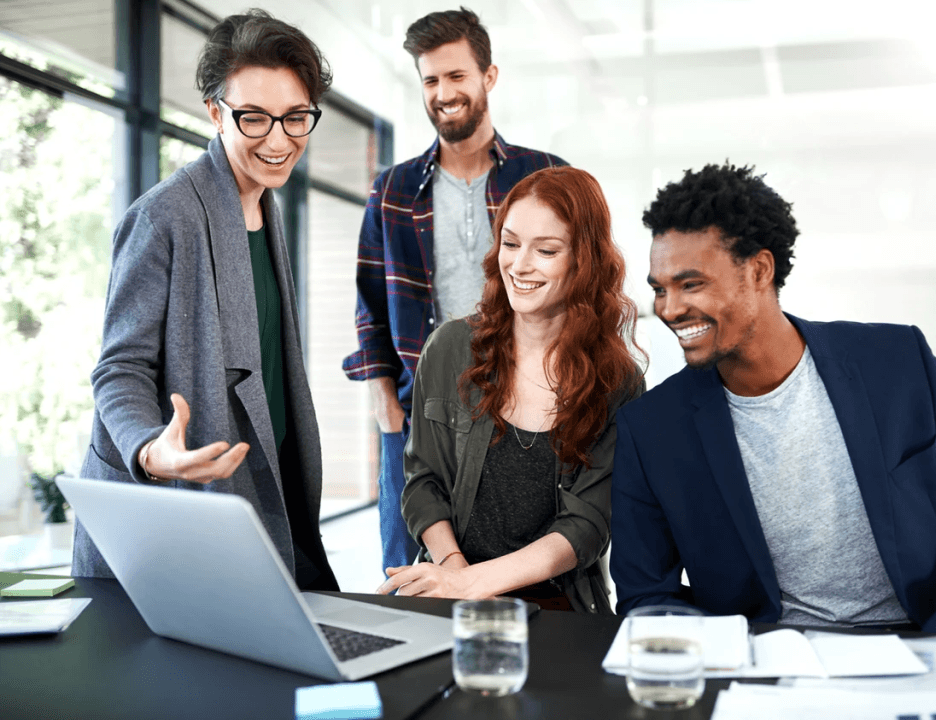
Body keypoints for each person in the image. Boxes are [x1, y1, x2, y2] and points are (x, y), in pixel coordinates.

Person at [610, 162, 936, 634]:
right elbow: (646, 593)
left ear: (759, 270)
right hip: (763, 666)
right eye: (659, 290)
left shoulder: (895, 363)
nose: (670, 309)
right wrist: (727, 652)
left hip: (915, 647)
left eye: (691, 284)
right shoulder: (652, 428)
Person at [72, 10, 338, 591]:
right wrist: (149, 450)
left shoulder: (266, 209)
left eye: (295, 118)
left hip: (260, 488)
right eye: (254, 118)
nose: (278, 139)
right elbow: (120, 368)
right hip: (174, 508)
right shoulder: (163, 216)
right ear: (216, 112)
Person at [342, 7, 567, 576]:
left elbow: (579, 287)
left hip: (530, 406)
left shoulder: (545, 177)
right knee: (407, 570)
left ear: (488, 77)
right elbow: (370, 304)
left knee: (531, 572)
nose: (444, 92)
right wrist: (384, 405)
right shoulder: (392, 190)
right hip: (422, 410)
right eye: (431, 80)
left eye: (457, 76)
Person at [374, 167, 643, 613]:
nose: (519, 265)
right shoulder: (448, 349)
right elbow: (422, 483)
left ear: (585, 260)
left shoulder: (618, 381)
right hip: (449, 579)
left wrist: (476, 584)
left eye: (547, 250)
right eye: (511, 243)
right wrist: (457, 574)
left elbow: (588, 524)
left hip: (558, 604)